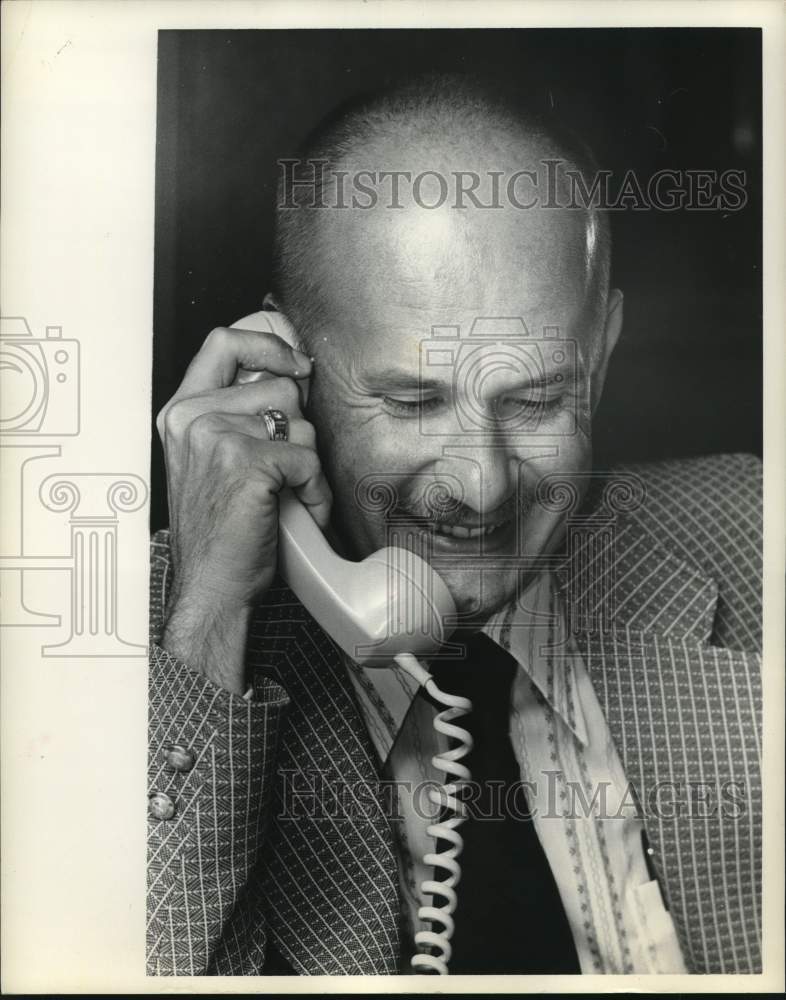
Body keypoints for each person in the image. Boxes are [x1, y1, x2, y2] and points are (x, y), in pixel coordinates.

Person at [147, 75, 762, 976]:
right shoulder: (153, 646)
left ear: (601, 356)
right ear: (281, 378)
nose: (483, 484)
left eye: (538, 397)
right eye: (412, 399)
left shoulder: (755, 533)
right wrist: (209, 621)